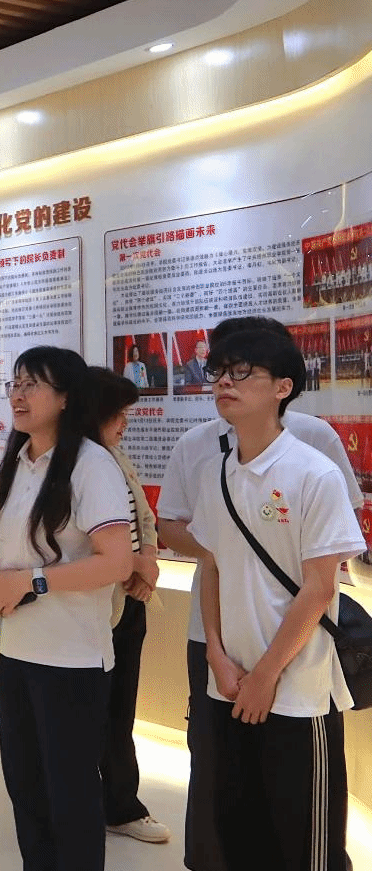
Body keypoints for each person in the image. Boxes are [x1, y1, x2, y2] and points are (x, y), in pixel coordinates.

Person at [157, 317, 363, 871]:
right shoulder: (214, 471)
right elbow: (213, 564)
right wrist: (217, 654)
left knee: (304, 840)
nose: (225, 382)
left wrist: (267, 674)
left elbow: (320, 587)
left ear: (282, 387)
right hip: (230, 679)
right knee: (239, 827)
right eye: (220, 371)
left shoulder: (314, 472)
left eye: (243, 372)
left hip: (296, 686)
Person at [0, 346, 132, 871]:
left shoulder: (92, 465)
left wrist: (31, 582)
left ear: (65, 397)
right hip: (8, 650)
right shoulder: (17, 461)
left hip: (68, 658)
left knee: (70, 794)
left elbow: (117, 562)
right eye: (15, 384)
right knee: (25, 788)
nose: (18, 395)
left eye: (32, 385)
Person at [81, 367, 172, 845]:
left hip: (129, 601)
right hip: (90, 606)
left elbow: (145, 519)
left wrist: (147, 563)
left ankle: (120, 803)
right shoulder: (73, 463)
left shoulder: (116, 456)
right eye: (119, 414)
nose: (125, 423)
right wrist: (132, 564)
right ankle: (80, 803)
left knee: (120, 708)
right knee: (87, 710)